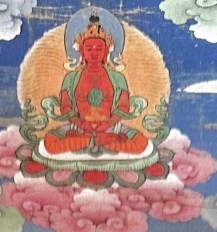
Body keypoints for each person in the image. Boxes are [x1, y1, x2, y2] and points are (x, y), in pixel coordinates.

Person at [45, 10, 149, 157]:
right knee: (50, 143)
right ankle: (95, 141)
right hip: (79, 128)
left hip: (111, 128)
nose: (94, 53)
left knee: (141, 143)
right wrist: (80, 123)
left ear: (107, 51)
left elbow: (123, 106)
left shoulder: (117, 78)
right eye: (89, 49)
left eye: (99, 49)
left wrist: (108, 123)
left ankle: (94, 141)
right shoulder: (71, 78)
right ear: (81, 51)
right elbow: (65, 106)